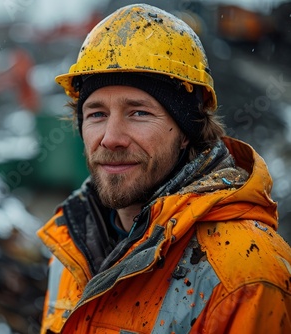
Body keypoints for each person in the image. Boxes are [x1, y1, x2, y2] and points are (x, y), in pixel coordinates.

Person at [36, 4, 291, 333]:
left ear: (187, 131)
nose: (111, 138)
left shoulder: (244, 274)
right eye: (97, 114)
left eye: (138, 112)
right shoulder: (70, 249)